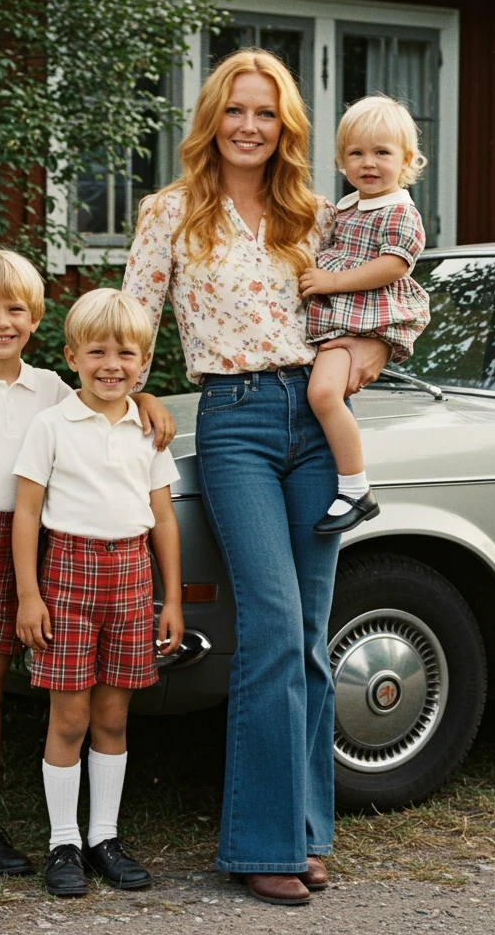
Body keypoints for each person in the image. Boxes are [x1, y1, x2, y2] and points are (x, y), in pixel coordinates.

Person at [123, 49, 390, 906]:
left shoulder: (318, 214)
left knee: (311, 633)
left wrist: (367, 353)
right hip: (233, 420)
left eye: (266, 114)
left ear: (287, 128)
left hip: (317, 424)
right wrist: (134, 401)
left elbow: (380, 300)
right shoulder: (169, 213)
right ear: (212, 119)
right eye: (236, 110)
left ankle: (308, 833)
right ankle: (257, 843)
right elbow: (128, 319)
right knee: (272, 624)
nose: (249, 126)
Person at [0, 248, 173, 889]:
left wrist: (152, 398)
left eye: (16, 309)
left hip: (21, 555)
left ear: (35, 317)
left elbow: (109, 389)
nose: (2, 321)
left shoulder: (49, 385)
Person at [11, 287, 184, 898]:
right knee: (70, 718)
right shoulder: (51, 425)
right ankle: (64, 842)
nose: (112, 364)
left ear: (144, 362)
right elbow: (27, 515)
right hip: (68, 579)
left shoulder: (147, 430)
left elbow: (163, 518)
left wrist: (173, 599)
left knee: (113, 717)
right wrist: (29, 596)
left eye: (126, 354)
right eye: (98, 352)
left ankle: (104, 837)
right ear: (72, 357)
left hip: (132, 578)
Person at [299, 95, 432, 533]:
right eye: (356, 153)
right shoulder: (348, 207)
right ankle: (350, 483)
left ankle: (357, 488)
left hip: (361, 323)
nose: (368, 163)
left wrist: (332, 281)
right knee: (322, 394)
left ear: (407, 159)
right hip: (339, 322)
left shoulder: (399, 211)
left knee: (323, 394)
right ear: (341, 160)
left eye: (382, 153)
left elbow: (394, 264)